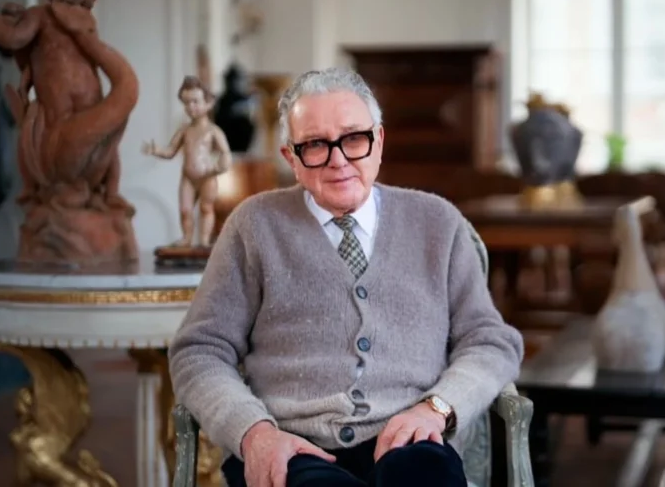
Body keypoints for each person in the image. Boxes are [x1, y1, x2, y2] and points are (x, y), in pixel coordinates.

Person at [168, 67, 524, 487]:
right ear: (291, 158)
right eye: (315, 145)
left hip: (412, 442)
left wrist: (438, 408)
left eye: (354, 138)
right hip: (291, 450)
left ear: (379, 142)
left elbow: (490, 341)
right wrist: (254, 432)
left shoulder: (438, 222)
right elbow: (199, 351)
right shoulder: (254, 226)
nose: (338, 160)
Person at [143, 75, 233, 247]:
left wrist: (220, 166)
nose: (191, 107)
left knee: (206, 208)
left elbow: (225, 153)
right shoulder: (184, 130)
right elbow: (171, 151)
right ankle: (186, 238)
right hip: (188, 178)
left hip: (207, 176)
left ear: (208, 103)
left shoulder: (213, 131)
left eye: (195, 102)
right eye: (186, 103)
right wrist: (156, 150)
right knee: (185, 210)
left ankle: (204, 240)